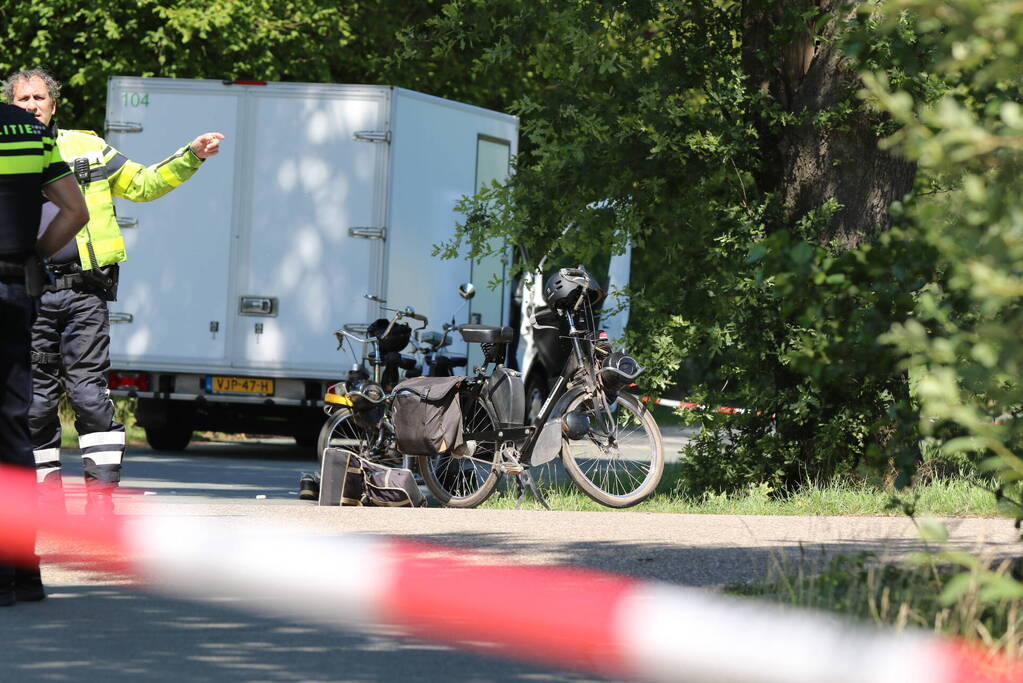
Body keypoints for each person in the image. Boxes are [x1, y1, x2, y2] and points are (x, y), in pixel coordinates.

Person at [4, 68, 225, 516]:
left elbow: (143, 184)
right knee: (36, 401)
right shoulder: (8, 150)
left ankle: (100, 502)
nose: (31, 105)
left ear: (54, 104)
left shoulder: (86, 147)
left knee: (88, 395)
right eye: (22, 99)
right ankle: (44, 503)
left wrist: (192, 155)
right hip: (33, 294)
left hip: (85, 293)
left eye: (38, 97)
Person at [0, 101, 89, 606]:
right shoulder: (28, 132)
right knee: (13, 426)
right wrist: (32, 254)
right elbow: (75, 211)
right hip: (14, 287)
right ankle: (20, 572)